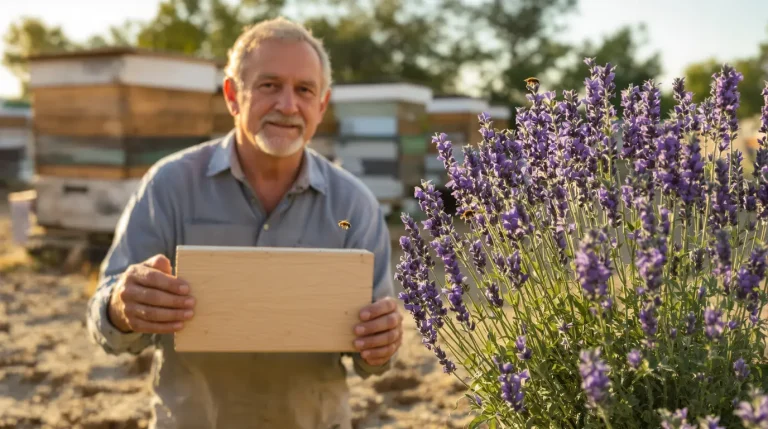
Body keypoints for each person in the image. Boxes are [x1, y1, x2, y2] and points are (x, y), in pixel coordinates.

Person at [86, 16, 403, 429]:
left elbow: (374, 359)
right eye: (269, 85)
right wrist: (121, 308)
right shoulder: (170, 186)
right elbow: (102, 320)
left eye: (304, 90)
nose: (288, 106)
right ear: (233, 95)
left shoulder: (354, 204)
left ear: (321, 106)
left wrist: (382, 343)